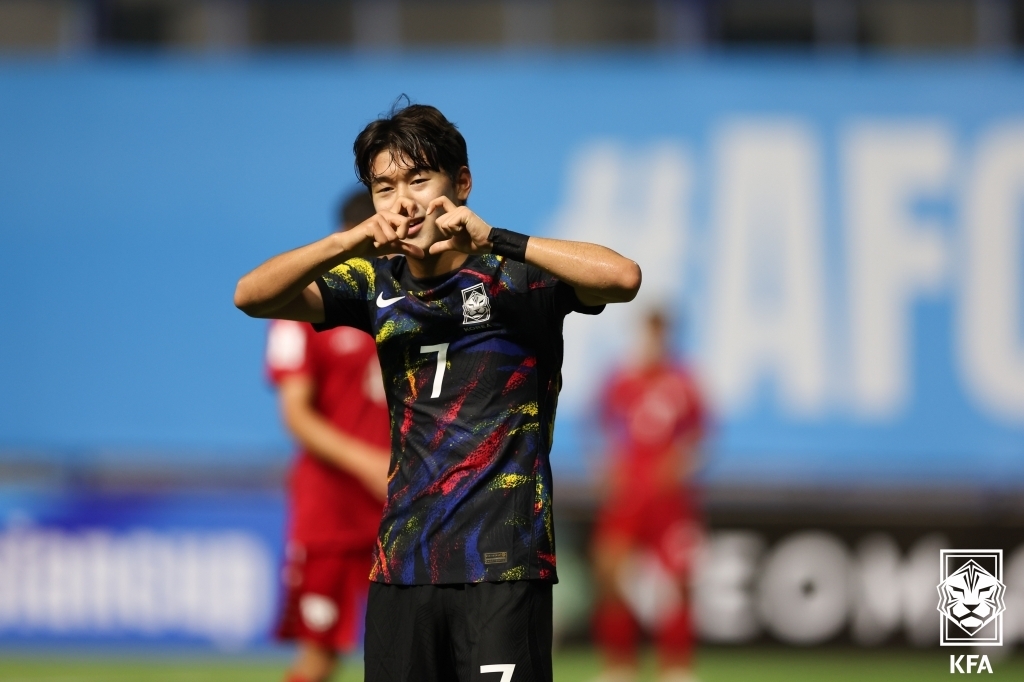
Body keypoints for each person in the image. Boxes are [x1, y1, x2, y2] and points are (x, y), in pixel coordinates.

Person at [235, 102, 641, 682]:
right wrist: (346, 243)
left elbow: (623, 277)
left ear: (463, 184)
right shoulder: (372, 284)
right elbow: (251, 296)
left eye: (419, 180)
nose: (403, 201)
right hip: (402, 564)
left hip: (504, 561)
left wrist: (498, 237)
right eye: (384, 187)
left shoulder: (521, 277)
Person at [267, 189, 390, 682]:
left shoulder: (416, 296)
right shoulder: (308, 303)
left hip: (403, 501)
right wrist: (367, 464)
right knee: (317, 659)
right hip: (332, 507)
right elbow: (296, 414)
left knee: (419, 649)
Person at [590, 311, 706, 682]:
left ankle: (676, 667)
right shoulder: (620, 381)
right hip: (628, 497)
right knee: (610, 570)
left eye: (660, 331)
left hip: (668, 499)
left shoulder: (684, 383)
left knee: (679, 577)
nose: (654, 339)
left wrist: (679, 465)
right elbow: (600, 431)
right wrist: (608, 470)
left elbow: (699, 437)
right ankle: (619, 666)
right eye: (648, 331)